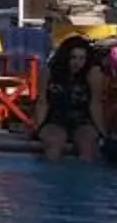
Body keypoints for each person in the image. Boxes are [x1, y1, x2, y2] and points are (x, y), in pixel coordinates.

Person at [34, 34, 110, 163]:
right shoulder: (49, 72)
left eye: (82, 58)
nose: (77, 63)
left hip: (82, 120)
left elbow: (95, 104)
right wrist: (38, 127)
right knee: (54, 143)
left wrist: (103, 133)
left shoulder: (92, 74)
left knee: (88, 146)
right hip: (55, 119)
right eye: (73, 58)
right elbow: (42, 101)